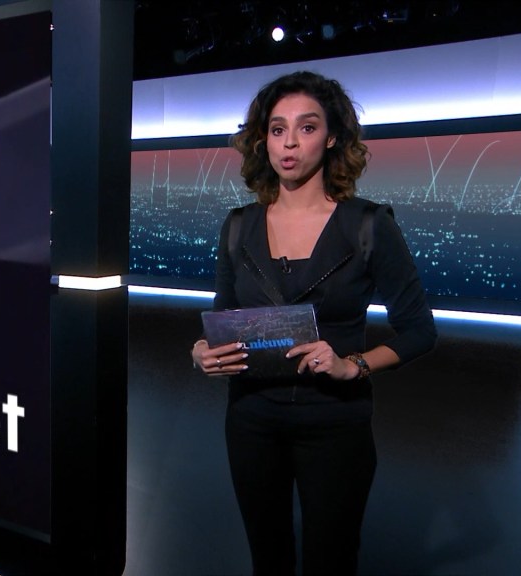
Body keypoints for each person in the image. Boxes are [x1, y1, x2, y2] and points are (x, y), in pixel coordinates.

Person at [190, 71, 437, 575]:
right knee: (268, 560)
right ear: (263, 141)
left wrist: (353, 365)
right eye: (277, 129)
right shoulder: (237, 226)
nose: (289, 143)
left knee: (332, 561)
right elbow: (225, 317)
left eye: (306, 127)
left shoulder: (369, 225)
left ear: (331, 138)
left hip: (335, 423)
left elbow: (419, 330)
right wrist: (201, 351)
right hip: (251, 420)